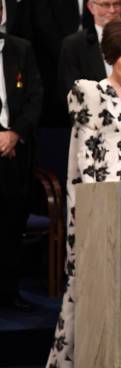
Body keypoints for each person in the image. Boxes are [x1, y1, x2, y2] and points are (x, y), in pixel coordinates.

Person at [44, 18, 121, 368]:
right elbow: (82, 156)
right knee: (89, 282)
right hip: (98, 200)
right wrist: (96, 205)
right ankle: (74, 365)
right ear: (110, 57)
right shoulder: (89, 93)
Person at [0, 3, 43, 310]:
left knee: (13, 222)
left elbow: (35, 96)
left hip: (16, 152)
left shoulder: (21, 48)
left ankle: (9, 291)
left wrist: (15, 133)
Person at [57, 0, 121, 102]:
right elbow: (71, 92)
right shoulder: (74, 45)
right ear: (91, 7)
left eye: (117, 4)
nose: (112, 10)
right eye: (105, 4)